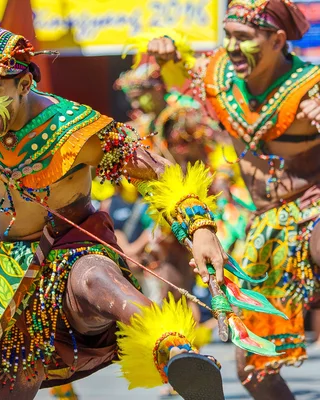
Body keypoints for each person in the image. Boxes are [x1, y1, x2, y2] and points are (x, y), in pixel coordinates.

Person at [0, 4, 239, 398]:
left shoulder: (74, 128)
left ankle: (172, 347)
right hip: (7, 272)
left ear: (23, 85)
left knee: (92, 275)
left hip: (70, 244)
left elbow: (155, 170)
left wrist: (201, 229)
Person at [147, 1, 320, 399]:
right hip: (266, 229)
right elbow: (180, 79)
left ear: (278, 40)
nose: (232, 46)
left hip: (314, 208)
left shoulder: (310, 84)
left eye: (243, 37)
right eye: (228, 36)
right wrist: (167, 54)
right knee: (255, 374)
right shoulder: (219, 75)